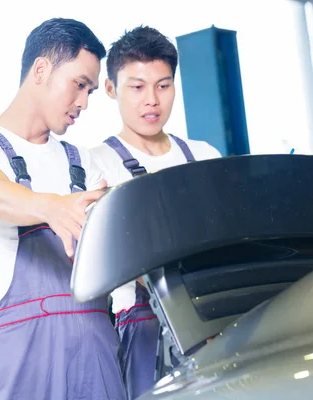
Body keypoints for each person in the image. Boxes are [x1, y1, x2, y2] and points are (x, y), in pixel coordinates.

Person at [0, 18, 126, 400]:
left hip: (98, 354)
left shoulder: (85, 163)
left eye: (89, 91)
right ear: (41, 69)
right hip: (22, 359)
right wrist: (54, 208)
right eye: (78, 85)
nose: (84, 103)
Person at [90, 26, 222, 400]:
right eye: (137, 87)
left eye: (163, 86)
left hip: (218, 314)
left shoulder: (204, 156)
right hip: (145, 329)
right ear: (111, 89)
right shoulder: (97, 164)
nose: (152, 100)